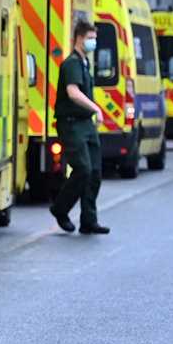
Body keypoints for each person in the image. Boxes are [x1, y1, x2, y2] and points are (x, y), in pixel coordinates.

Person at [49, 20, 110, 235]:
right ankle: (60, 208)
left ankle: (89, 221)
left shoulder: (85, 63)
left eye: (94, 38)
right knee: (83, 168)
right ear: (79, 38)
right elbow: (73, 92)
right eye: (90, 39)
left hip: (86, 124)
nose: (93, 42)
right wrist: (96, 109)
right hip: (72, 124)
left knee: (94, 172)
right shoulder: (72, 63)